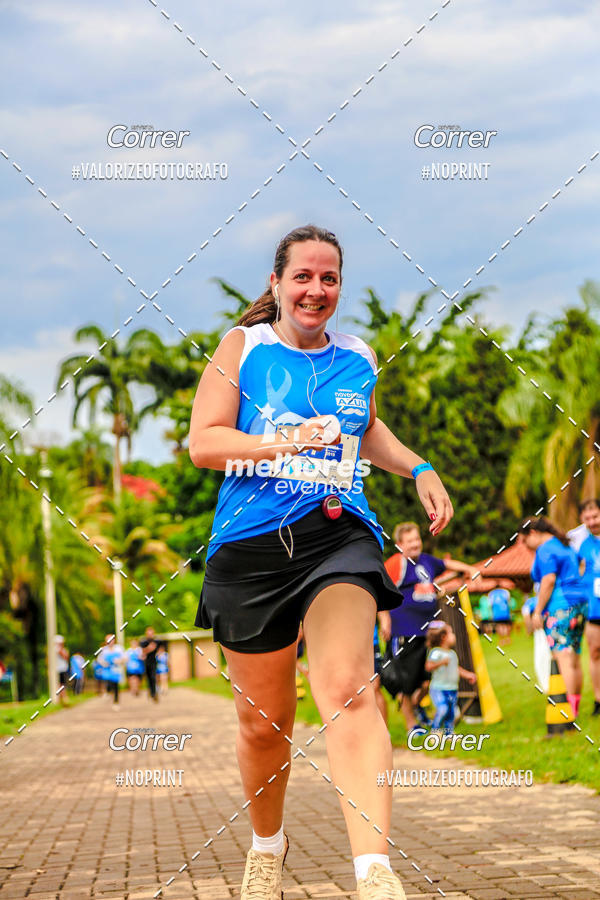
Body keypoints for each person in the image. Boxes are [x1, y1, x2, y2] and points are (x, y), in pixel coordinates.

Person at [188, 225, 454, 900]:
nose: (315, 289)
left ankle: (374, 873)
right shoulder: (244, 347)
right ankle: (267, 848)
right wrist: (286, 443)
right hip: (250, 546)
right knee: (264, 722)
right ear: (276, 284)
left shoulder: (357, 356)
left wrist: (415, 464)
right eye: (302, 276)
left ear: (339, 287)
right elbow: (204, 443)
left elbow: (366, 428)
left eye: (328, 278)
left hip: (338, 533)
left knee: (349, 691)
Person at [377, 522, 474, 736]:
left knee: (426, 677)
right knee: (405, 681)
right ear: (400, 544)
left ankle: (417, 708)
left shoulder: (427, 561)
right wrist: (384, 620)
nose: (415, 544)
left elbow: (448, 564)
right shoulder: (397, 564)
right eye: (410, 541)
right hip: (404, 632)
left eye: (417, 539)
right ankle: (412, 725)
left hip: (427, 633)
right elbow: (379, 591)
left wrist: (470, 569)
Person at [522, 517, 587, 718]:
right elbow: (581, 565)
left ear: (532, 534)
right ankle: (574, 705)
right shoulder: (565, 545)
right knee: (574, 658)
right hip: (579, 605)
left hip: (560, 607)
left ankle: (569, 712)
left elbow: (548, 580)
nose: (525, 546)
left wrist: (537, 611)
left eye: (524, 541)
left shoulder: (545, 549)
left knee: (563, 657)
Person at [424, 623, 476, 733]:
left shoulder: (452, 653)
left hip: (452, 689)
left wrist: (468, 675)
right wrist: (441, 662)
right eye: (451, 633)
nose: (454, 635)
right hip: (439, 688)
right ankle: (435, 731)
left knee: (451, 713)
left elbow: (456, 668)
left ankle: (449, 733)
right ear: (443, 637)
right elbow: (429, 666)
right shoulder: (436, 652)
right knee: (443, 709)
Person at [577, 499, 600, 715]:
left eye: (596, 516)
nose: (592, 521)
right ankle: (598, 699)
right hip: (593, 609)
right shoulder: (582, 546)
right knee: (594, 653)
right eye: (588, 518)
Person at [100, 635, 123, 708]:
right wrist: (103, 663)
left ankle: (116, 701)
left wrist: (119, 661)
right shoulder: (103, 650)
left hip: (116, 670)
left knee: (115, 685)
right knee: (108, 681)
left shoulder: (119, 648)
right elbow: (99, 659)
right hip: (107, 670)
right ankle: (107, 691)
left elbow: (125, 657)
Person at [140, 626, 161, 702]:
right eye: (149, 633)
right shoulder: (143, 642)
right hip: (146, 663)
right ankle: (150, 692)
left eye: (151, 633)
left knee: (153, 677)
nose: (150, 635)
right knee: (148, 678)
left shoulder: (157, 641)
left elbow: (160, 649)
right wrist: (150, 648)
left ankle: (154, 693)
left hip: (153, 662)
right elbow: (142, 652)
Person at [55, 635, 70, 706]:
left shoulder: (63, 650)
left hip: (63, 669)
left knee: (62, 684)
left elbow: (66, 657)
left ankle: (63, 697)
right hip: (57, 669)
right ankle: (61, 698)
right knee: (59, 684)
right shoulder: (54, 650)